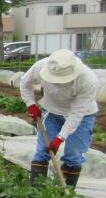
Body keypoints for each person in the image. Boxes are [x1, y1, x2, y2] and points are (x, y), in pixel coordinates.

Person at [20, 49, 99, 189]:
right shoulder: (41, 67)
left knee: (73, 156)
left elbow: (76, 113)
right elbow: (25, 83)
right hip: (52, 112)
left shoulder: (88, 80)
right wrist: (30, 104)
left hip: (82, 116)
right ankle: (36, 196)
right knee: (43, 151)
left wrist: (60, 137)